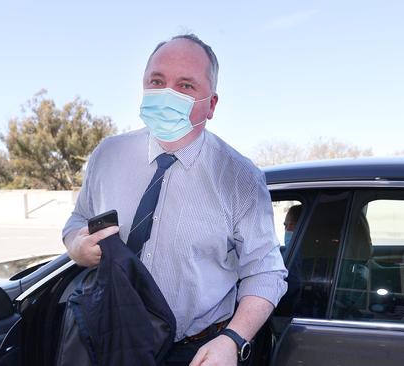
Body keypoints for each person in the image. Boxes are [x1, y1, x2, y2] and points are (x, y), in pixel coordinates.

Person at [62, 34, 288, 365]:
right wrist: (75, 247)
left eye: (185, 86)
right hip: (110, 338)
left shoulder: (241, 178)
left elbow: (266, 272)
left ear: (211, 105)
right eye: (157, 81)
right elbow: (78, 219)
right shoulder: (107, 155)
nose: (167, 94)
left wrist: (232, 340)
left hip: (196, 351)